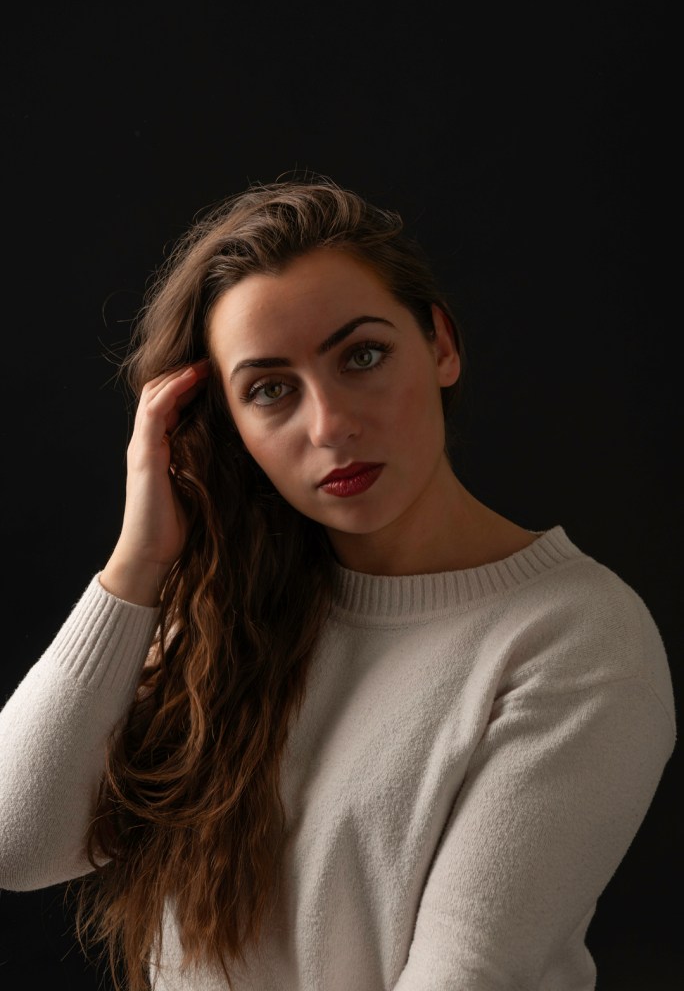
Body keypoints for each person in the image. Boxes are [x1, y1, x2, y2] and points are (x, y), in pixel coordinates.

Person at [0, 175, 676, 991]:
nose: (330, 424)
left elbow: (469, 974)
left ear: (441, 346)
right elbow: (17, 843)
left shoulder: (575, 637)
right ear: (226, 428)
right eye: (270, 390)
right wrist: (136, 565)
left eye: (362, 356)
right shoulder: (220, 612)